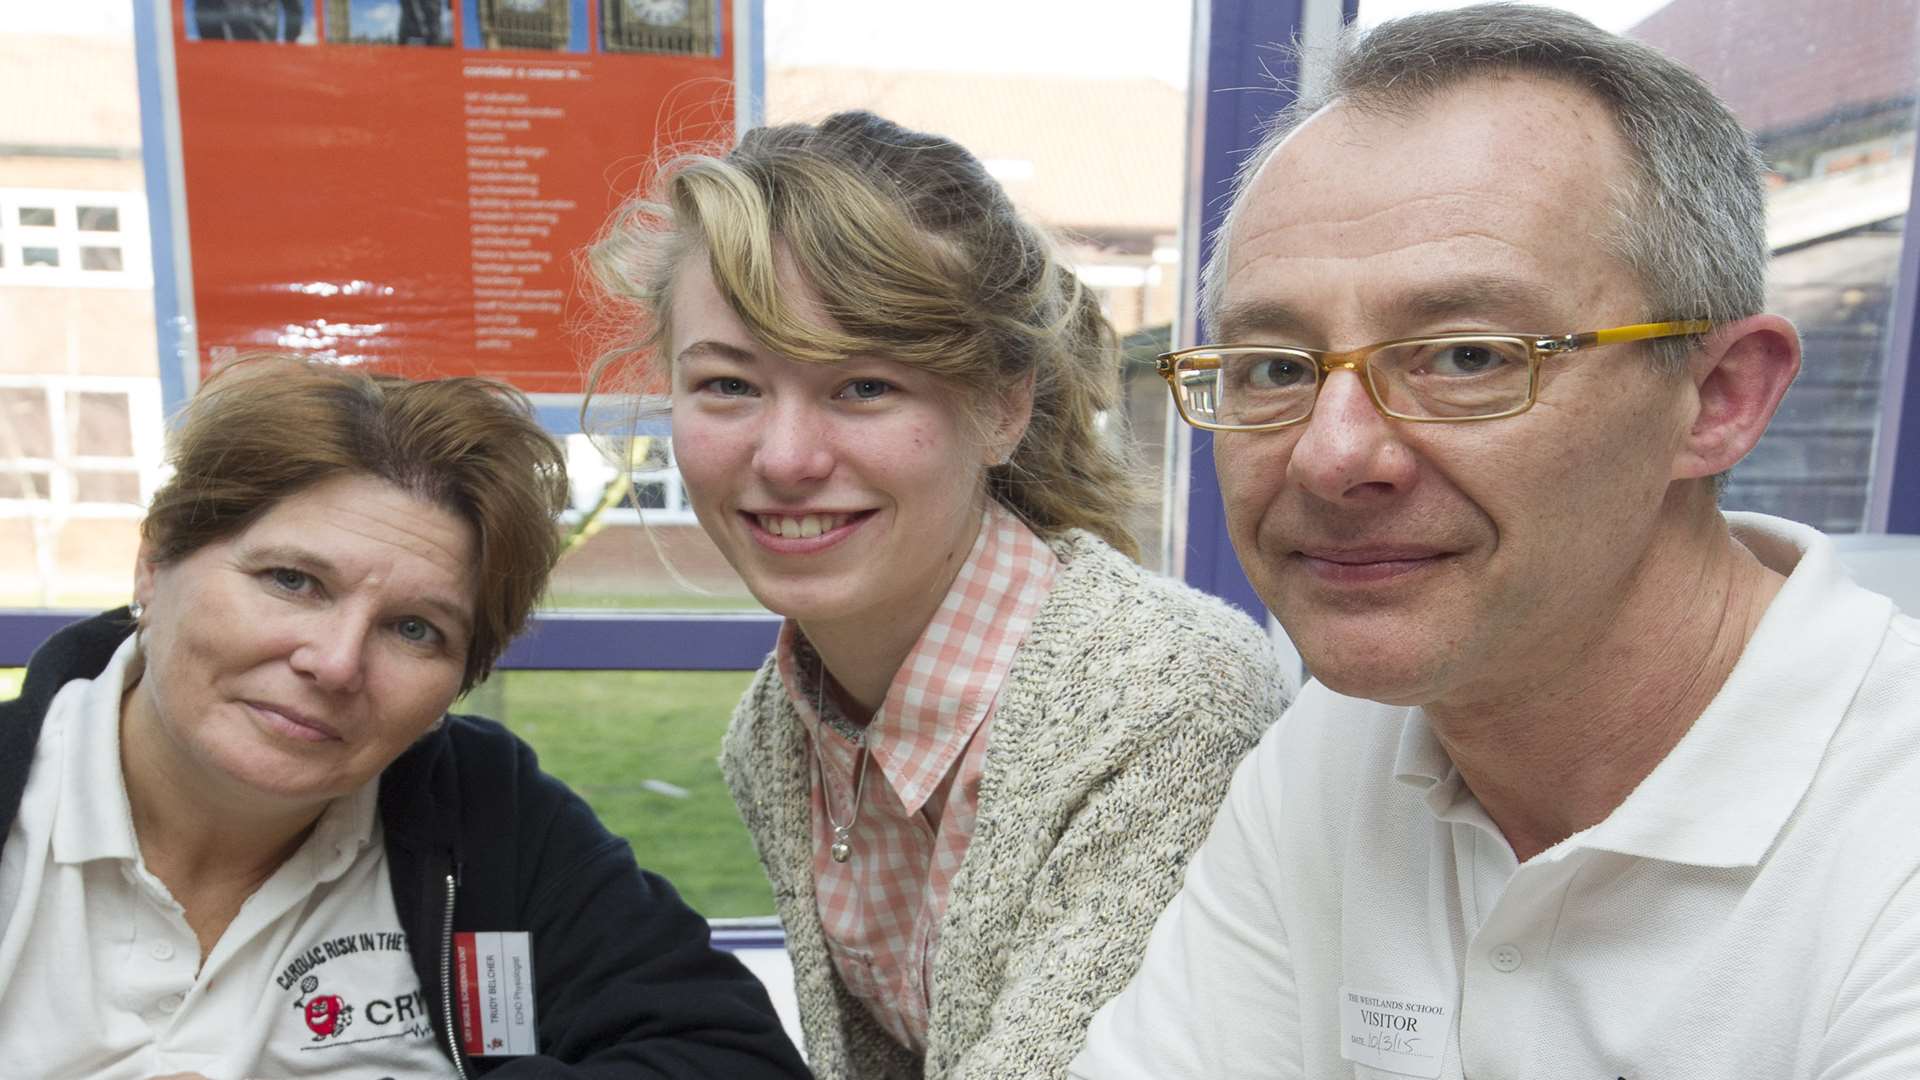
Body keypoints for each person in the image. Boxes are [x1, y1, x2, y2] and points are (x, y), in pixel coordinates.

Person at [1073, 6, 1920, 1079]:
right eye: (1276, 368)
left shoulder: (1889, 838)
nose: (1330, 457)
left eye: (1468, 355)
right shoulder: (1341, 747)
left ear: (1717, 397)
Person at [586, 110, 1290, 1078]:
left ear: (1004, 405)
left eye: (865, 387)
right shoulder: (780, 727)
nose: (785, 458)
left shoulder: (1165, 705)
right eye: (726, 386)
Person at [0, 356, 810, 1078]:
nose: (337, 661)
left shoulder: (486, 812)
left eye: (414, 629)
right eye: (291, 581)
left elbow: (731, 1057)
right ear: (153, 563)